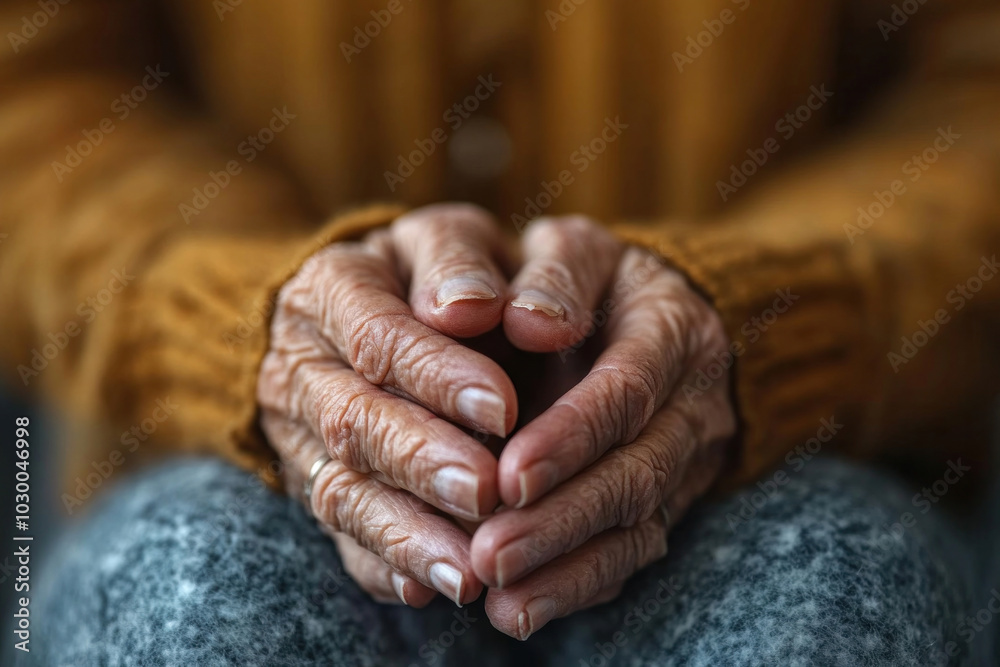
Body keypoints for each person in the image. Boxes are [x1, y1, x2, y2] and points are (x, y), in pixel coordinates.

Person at [1, 0, 999, 664]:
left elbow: (974, 85)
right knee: (193, 606)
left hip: (793, 444)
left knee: (830, 601)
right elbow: (32, 93)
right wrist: (239, 318)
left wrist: (773, 316)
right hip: (212, 447)